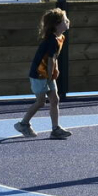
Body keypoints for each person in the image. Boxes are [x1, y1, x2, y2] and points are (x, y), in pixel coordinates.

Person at [14, 7, 72, 139]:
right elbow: (50, 60)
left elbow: (54, 57)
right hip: (39, 74)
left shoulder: (60, 37)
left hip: (48, 73)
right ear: (57, 25)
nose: (68, 22)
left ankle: (55, 129)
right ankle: (23, 124)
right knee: (40, 102)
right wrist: (52, 72)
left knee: (55, 99)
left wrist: (55, 70)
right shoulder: (52, 40)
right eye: (64, 20)